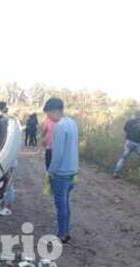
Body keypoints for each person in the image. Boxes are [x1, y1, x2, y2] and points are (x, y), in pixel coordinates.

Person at [43, 97, 78, 243]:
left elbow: (58, 153)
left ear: (55, 111)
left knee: (60, 205)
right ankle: (65, 231)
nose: (48, 117)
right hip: (72, 170)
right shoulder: (72, 123)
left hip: (61, 173)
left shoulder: (60, 127)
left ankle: (61, 235)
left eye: (48, 114)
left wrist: (51, 171)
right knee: (66, 203)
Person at [0, 101, 16, 216]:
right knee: (8, 182)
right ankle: (6, 206)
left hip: (3, 155)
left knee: (6, 182)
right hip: (8, 155)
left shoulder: (0, 121)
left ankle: (6, 206)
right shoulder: (11, 121)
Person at [113, 110, 140, 177]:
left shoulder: (129, 121)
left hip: (129, 142)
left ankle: (116, 173)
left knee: (123, 158)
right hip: (139, 143)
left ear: (135, 114)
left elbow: (125, 129)